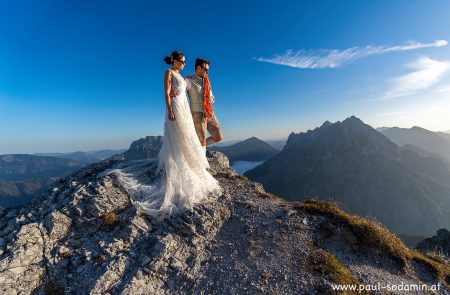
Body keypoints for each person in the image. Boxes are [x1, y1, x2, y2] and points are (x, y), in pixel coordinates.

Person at [131, 50, 222, 221]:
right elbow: (166, 92)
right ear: (174, 61)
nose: (184, 64)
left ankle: (192, 157)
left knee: (187, 136)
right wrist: (170, 109)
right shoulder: (169, 73)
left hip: (184, 108)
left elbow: (186, 90)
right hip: (175, 108)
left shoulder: (182, 76)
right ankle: (181, 162)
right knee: (178, 137)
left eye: (185, 62)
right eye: (182, 61)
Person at [172, 58, 223, 152]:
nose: (207, 72)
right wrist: (174, 93)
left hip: (209, 112)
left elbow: (212, 96)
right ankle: (199, 155)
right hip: (197, 114)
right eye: (206, 69)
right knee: (202, 141)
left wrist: (211, 99)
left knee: (219, 137)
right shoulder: (189, 80)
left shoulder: (206, 81)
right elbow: (180, 90)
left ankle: (196, 146)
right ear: (199, 68)